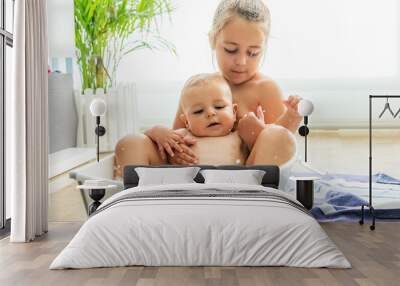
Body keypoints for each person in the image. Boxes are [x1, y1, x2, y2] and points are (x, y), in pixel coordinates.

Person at [114, 0, 302, 178]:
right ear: (213, 40)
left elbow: (278, 145)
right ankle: (136, 198)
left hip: (244, 181)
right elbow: (176, 140)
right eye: (230, 49)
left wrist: (267, 128)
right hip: (190, 179)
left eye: (253, 53)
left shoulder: (265, 89)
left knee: (276, 135)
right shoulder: (197, 89)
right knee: (131, 143)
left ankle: (257, 201)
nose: (241, 61)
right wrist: (157, 133)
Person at [172, 73, 247, 165]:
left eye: (219, 107)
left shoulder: (240, 137)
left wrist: (258, 127)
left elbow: (261, 146)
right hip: (193, 179)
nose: (210, 113)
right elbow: (154, 141)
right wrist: (156, 132)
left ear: (234, 112)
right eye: (198, 111)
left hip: (231, 179)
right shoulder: (184, 136)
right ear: (186, 121)